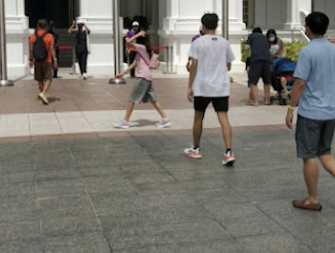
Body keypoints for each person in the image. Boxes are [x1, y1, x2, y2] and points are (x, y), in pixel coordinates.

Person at [286, 11, 335, 212]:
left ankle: (312, 199)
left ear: (307, 29)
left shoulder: (307, 52)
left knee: (309, 155)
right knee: (325, 151)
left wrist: (291, 108)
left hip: (311, 113)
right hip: (330, 112)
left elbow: (299, 83)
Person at [184, 13, 236, 167]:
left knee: (198, 117)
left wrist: (189, 85)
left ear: (202, 25)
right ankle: (228, 152)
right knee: (223, 119)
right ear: (217, 25)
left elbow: (193, 65)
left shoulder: (198, 43)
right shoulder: (224, 43)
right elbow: (228, 66)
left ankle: (196, 149)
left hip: (203, 86)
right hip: (220, 86)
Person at [112, 34, 172, 130]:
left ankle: (125, 121)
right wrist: (123, 73)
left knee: (132, 99)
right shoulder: (144, 50)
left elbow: (128, 42)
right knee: (153, 99)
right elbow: (134, 64)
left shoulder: (141, 47)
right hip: (147, 76)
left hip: (143, 77)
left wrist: (137, 34)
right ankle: (165, 118)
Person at [244, 25, 273, 106]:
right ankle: (266, 100)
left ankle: (255, 101)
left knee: (253, 82)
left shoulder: (252, 36)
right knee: (266, 82)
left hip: (256, 60)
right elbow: (270, 51)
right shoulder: (265, 38)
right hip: (267, 61)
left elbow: (246, 47)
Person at [29, 19, 56, 105]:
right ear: (47, 27)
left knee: (40, 79)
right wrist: (55, 59)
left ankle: (43, 95)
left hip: (37, 60)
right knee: (48, 78)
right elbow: (51, 49)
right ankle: (43, 93)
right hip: (47, 60)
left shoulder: (33, 36)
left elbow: (31, 49)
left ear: (38, 26)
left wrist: (30, 59)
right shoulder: (49, 36)